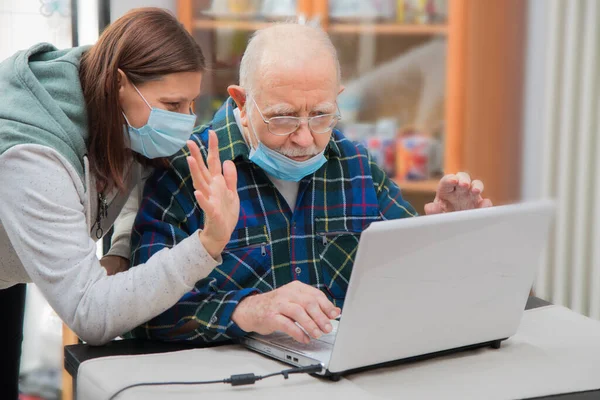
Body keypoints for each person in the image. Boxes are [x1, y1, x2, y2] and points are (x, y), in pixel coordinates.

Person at [129, 23, 492, 345]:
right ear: (241, 101)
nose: (305, 139)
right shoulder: (183, 172)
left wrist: (450, 235)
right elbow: (141, 314)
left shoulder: (355, 166)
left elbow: (412, 282)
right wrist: (247, 310)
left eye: (321, 114)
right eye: (283, 118)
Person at [0, 8, 226, 397]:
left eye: (191, 104)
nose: (185, 120)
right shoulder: (34, 156)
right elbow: (91, 314)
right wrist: (206, 246)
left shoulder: (108, 95)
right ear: (119, 83)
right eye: (173, 105)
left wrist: (120, 251)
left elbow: (137, 180)